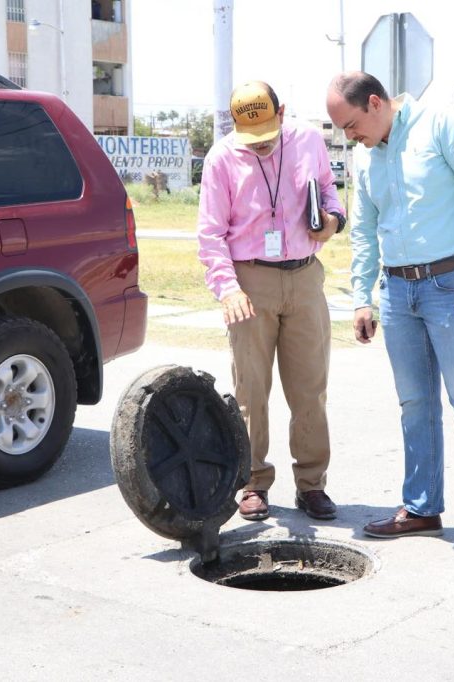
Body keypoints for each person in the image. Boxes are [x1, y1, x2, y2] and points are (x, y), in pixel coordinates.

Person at [325, 71, 454, 556]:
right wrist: (362, 297)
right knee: (415, 404)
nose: (349, 137)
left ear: (375, 103)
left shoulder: (441, 125)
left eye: (351, 125)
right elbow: (363, 229)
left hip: (451, 286)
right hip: (397, 292)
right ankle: (423, 508)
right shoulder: (367, 156)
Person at [197, 81, 347, 522]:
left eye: (266, 133)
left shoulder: (309, 140)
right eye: (251, 137)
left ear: (282, 113)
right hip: (249, 281)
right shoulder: (221, 158)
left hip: (304, 276)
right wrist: (228, 288)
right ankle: (252, 482)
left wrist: (333, 220)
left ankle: (312, 485)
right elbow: (210, 234)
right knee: (250, 390)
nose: (260, 145)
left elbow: (329, 190)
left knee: (310, 389)